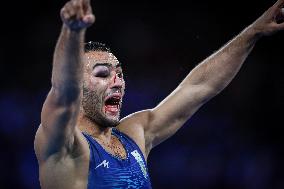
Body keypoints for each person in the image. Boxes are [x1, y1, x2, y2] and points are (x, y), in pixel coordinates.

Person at [34, 0, 284, 188]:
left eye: (120, 74)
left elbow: (197, 88)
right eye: (102, 74)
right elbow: (63, 94)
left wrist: (253, 33)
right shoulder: (66, 146)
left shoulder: (134, 135)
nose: (117, 81)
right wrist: (73, 31)